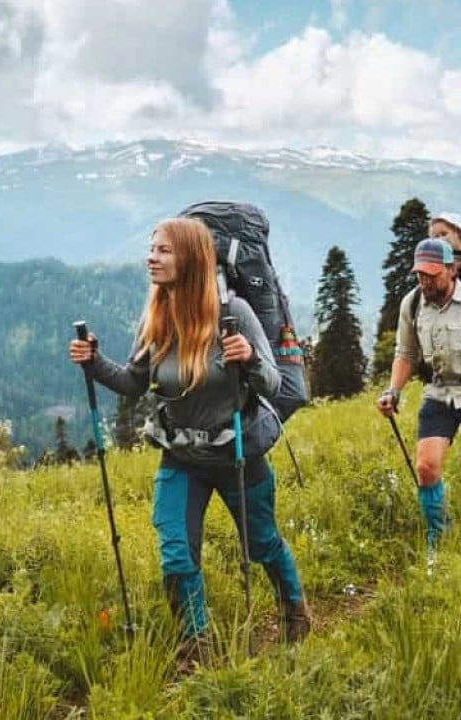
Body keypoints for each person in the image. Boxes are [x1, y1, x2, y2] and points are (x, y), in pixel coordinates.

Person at [68, 217, 310, 670]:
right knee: (177, 555)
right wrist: (95, 361)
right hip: (180, 457)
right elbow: (133, 383)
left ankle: (295, 610)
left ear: (192, 259)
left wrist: (252, 358)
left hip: (237, 454)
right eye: (152, 248)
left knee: (260, 544)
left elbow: (272, 383)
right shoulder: (157, 318)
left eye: (163, 250)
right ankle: (194, 648)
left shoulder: (234, 313)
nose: (151, 258)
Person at [376, 237, 461, 556]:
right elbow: (406, 353)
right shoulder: (411, 305)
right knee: (426, 467)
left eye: (432, 274)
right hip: (439, 394)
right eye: (420, 274)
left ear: (452, 270)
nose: (425, 281)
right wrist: (392, 390)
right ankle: (438, 540)